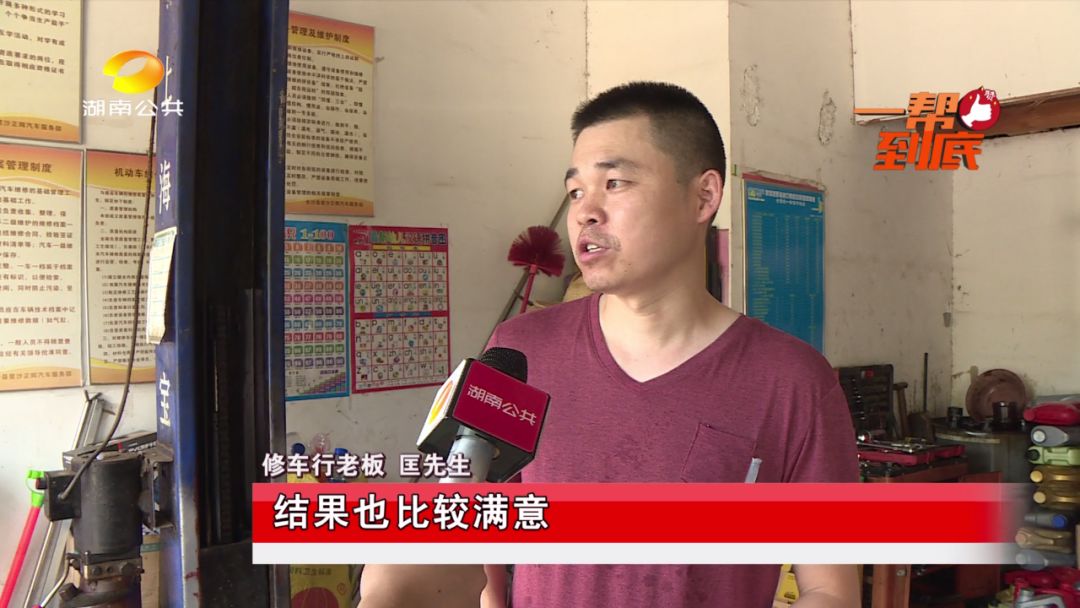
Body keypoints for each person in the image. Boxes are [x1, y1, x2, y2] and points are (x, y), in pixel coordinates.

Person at [362, 81, 860, 608]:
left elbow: (830, 590)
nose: (585, 212)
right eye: (576, 192)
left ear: (704, 196)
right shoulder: (519, 352)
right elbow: (480, 535)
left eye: (615, 183)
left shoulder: (793, 380)